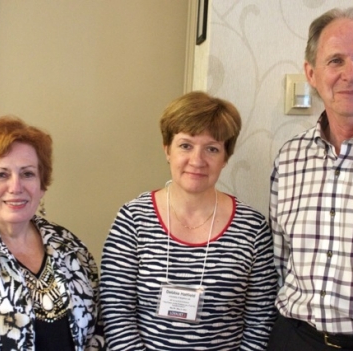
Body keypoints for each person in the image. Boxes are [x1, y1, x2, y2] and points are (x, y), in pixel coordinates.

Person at [268, 7, 353, 351]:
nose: (350, 74)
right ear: (311, 73)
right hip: (294, 339)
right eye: (335, 61)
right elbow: (281, 260)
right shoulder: (290, 157)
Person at [100, 91, 277, 351]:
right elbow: (116, 312)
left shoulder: (252, 228)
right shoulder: (133, 219)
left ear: (225, 158)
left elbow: (260, 321)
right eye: (185, 145)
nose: (197, 160)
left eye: (212, 149)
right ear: (167, 149)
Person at [0, 116, 104, 350]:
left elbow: (97, 331)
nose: (16, 187)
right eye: (1, 174)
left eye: (27, 174)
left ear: (42, 185)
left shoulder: (70, 247)